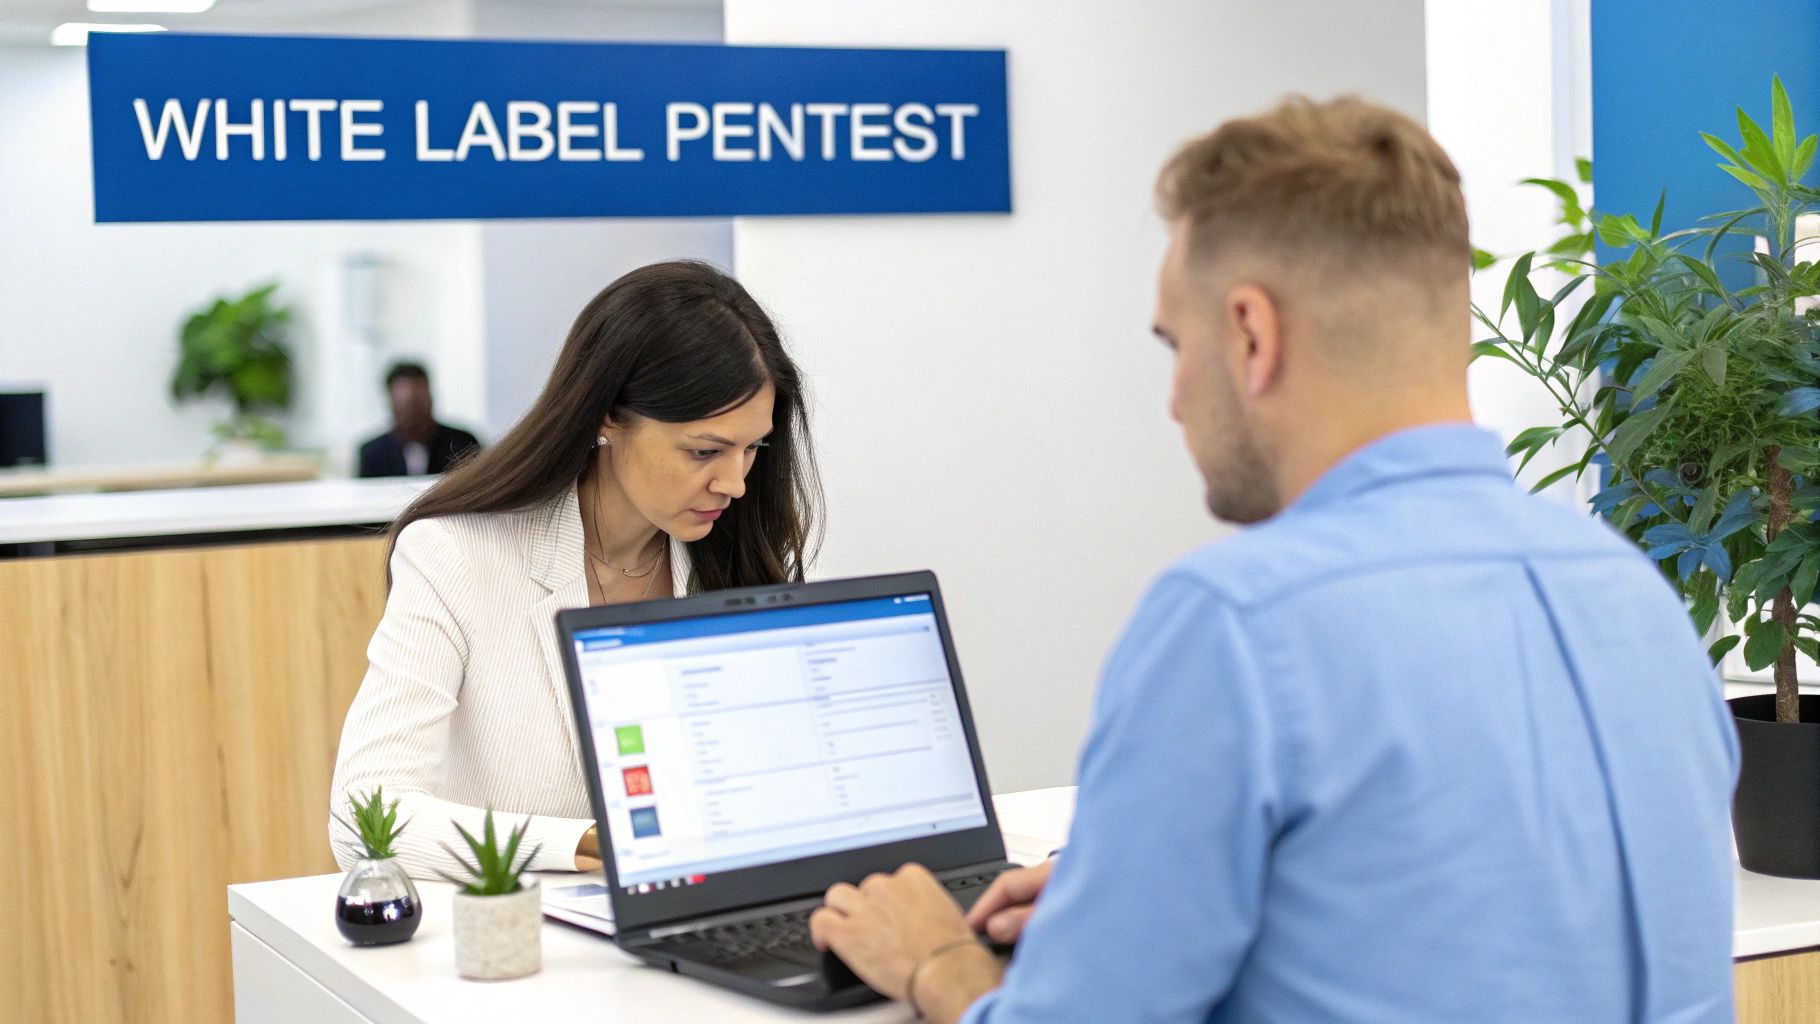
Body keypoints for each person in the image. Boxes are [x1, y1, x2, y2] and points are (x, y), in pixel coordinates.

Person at [806, 97, 1739, 1022]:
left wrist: (936, 961)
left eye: (1177, 344)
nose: (1174, 398)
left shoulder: (1239, 624)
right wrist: (1131, 897)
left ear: (1253, 333)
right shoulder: (1634, 600)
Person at [330, 260, 822, 878]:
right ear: (607, 415)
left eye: (753, 448)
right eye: (704, 450)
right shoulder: (456, 556)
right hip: (522, 924)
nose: (735, 483)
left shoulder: (733, 557)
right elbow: (365, 818)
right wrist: (595, 846)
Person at [356, 361, 482, 478]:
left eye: (418, 402)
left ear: (430, 399)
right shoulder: (372, 453)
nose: (412, 413)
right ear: (390, 404)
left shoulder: (462, 444)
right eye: (405, 404)